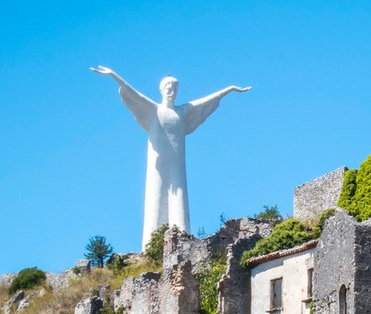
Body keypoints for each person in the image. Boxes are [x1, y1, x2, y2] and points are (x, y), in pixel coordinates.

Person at [91, 66, 251, 248]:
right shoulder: (153, 110)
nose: (172, 92)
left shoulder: (182, 112)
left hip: (177, 164)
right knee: (155, 198)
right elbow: (133, 93)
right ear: (161, 90)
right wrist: (113, 75)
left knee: (179, 198)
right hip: (157, 164)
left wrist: (229, 89)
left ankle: (182, 241)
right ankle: (151, 246)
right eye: (168, 88)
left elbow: (206, 101)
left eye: (175, 89)